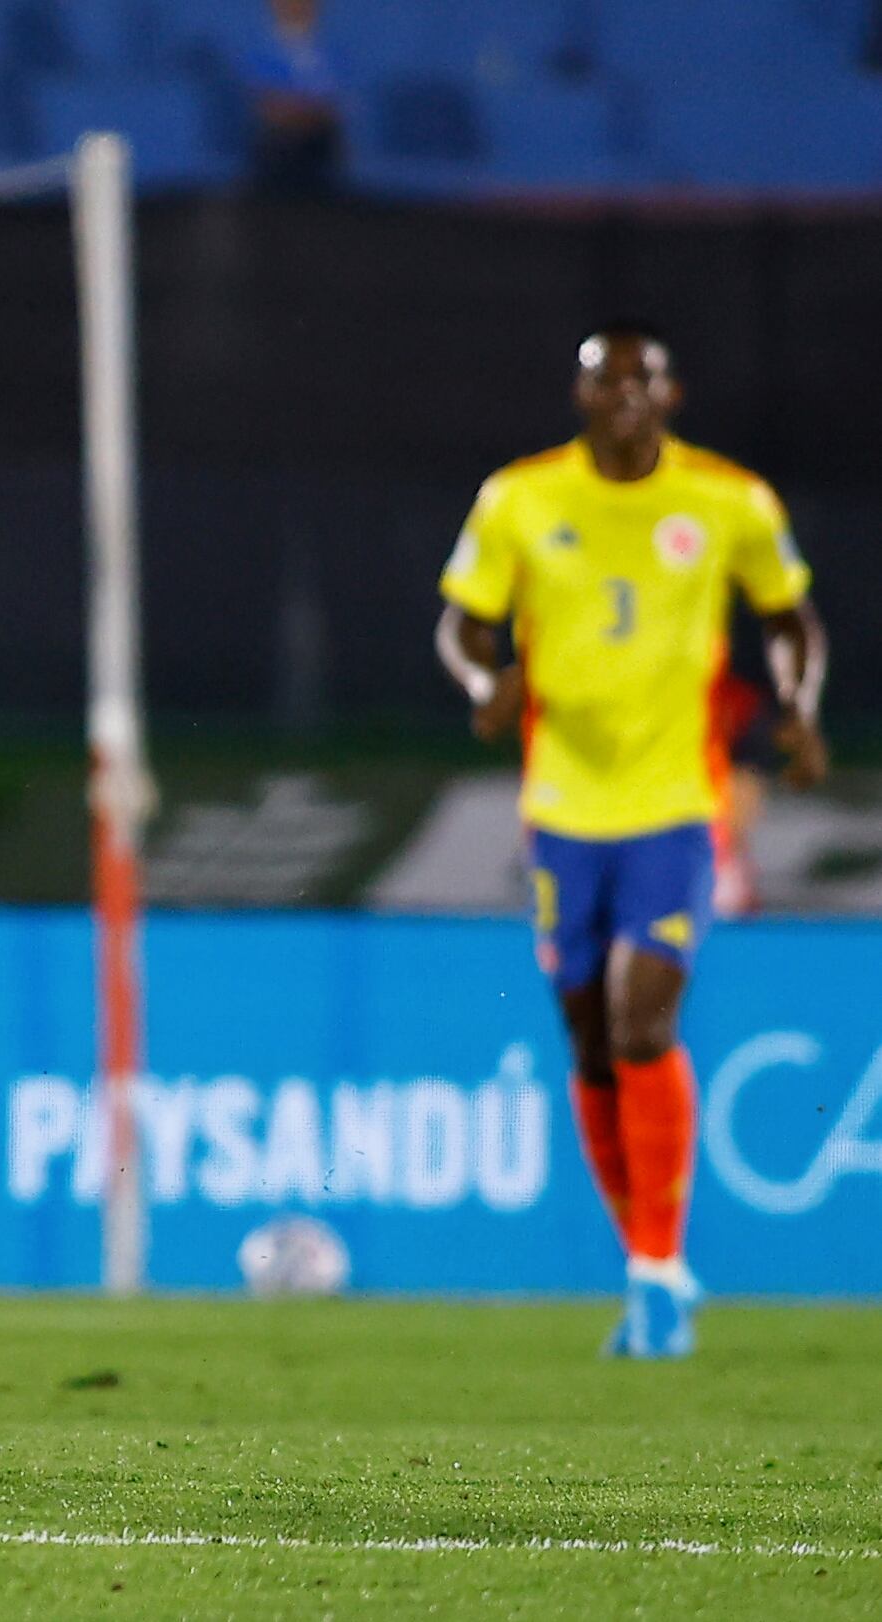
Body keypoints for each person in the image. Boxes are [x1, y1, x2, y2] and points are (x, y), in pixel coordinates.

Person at [436, 322, 828, 1360]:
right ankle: (650, 1265)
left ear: (671, 394)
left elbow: (791, 617)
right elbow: (461, 621)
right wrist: (486, 682)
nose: (623, 396)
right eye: (604, 380)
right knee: (591, 1040)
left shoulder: (728, 499)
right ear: (579, 395)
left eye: (639, 381)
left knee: (642, 1018)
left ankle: (658, 1272)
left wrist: (796, 706)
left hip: (673, 804)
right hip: (562, 809)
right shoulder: (520, 497)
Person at [239, 0, 345, 197]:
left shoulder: (328, 53)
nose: (296, 7)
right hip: (277, 151)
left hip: (319, 150)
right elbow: (267, 105)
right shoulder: (260, 51)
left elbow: (332, 106)